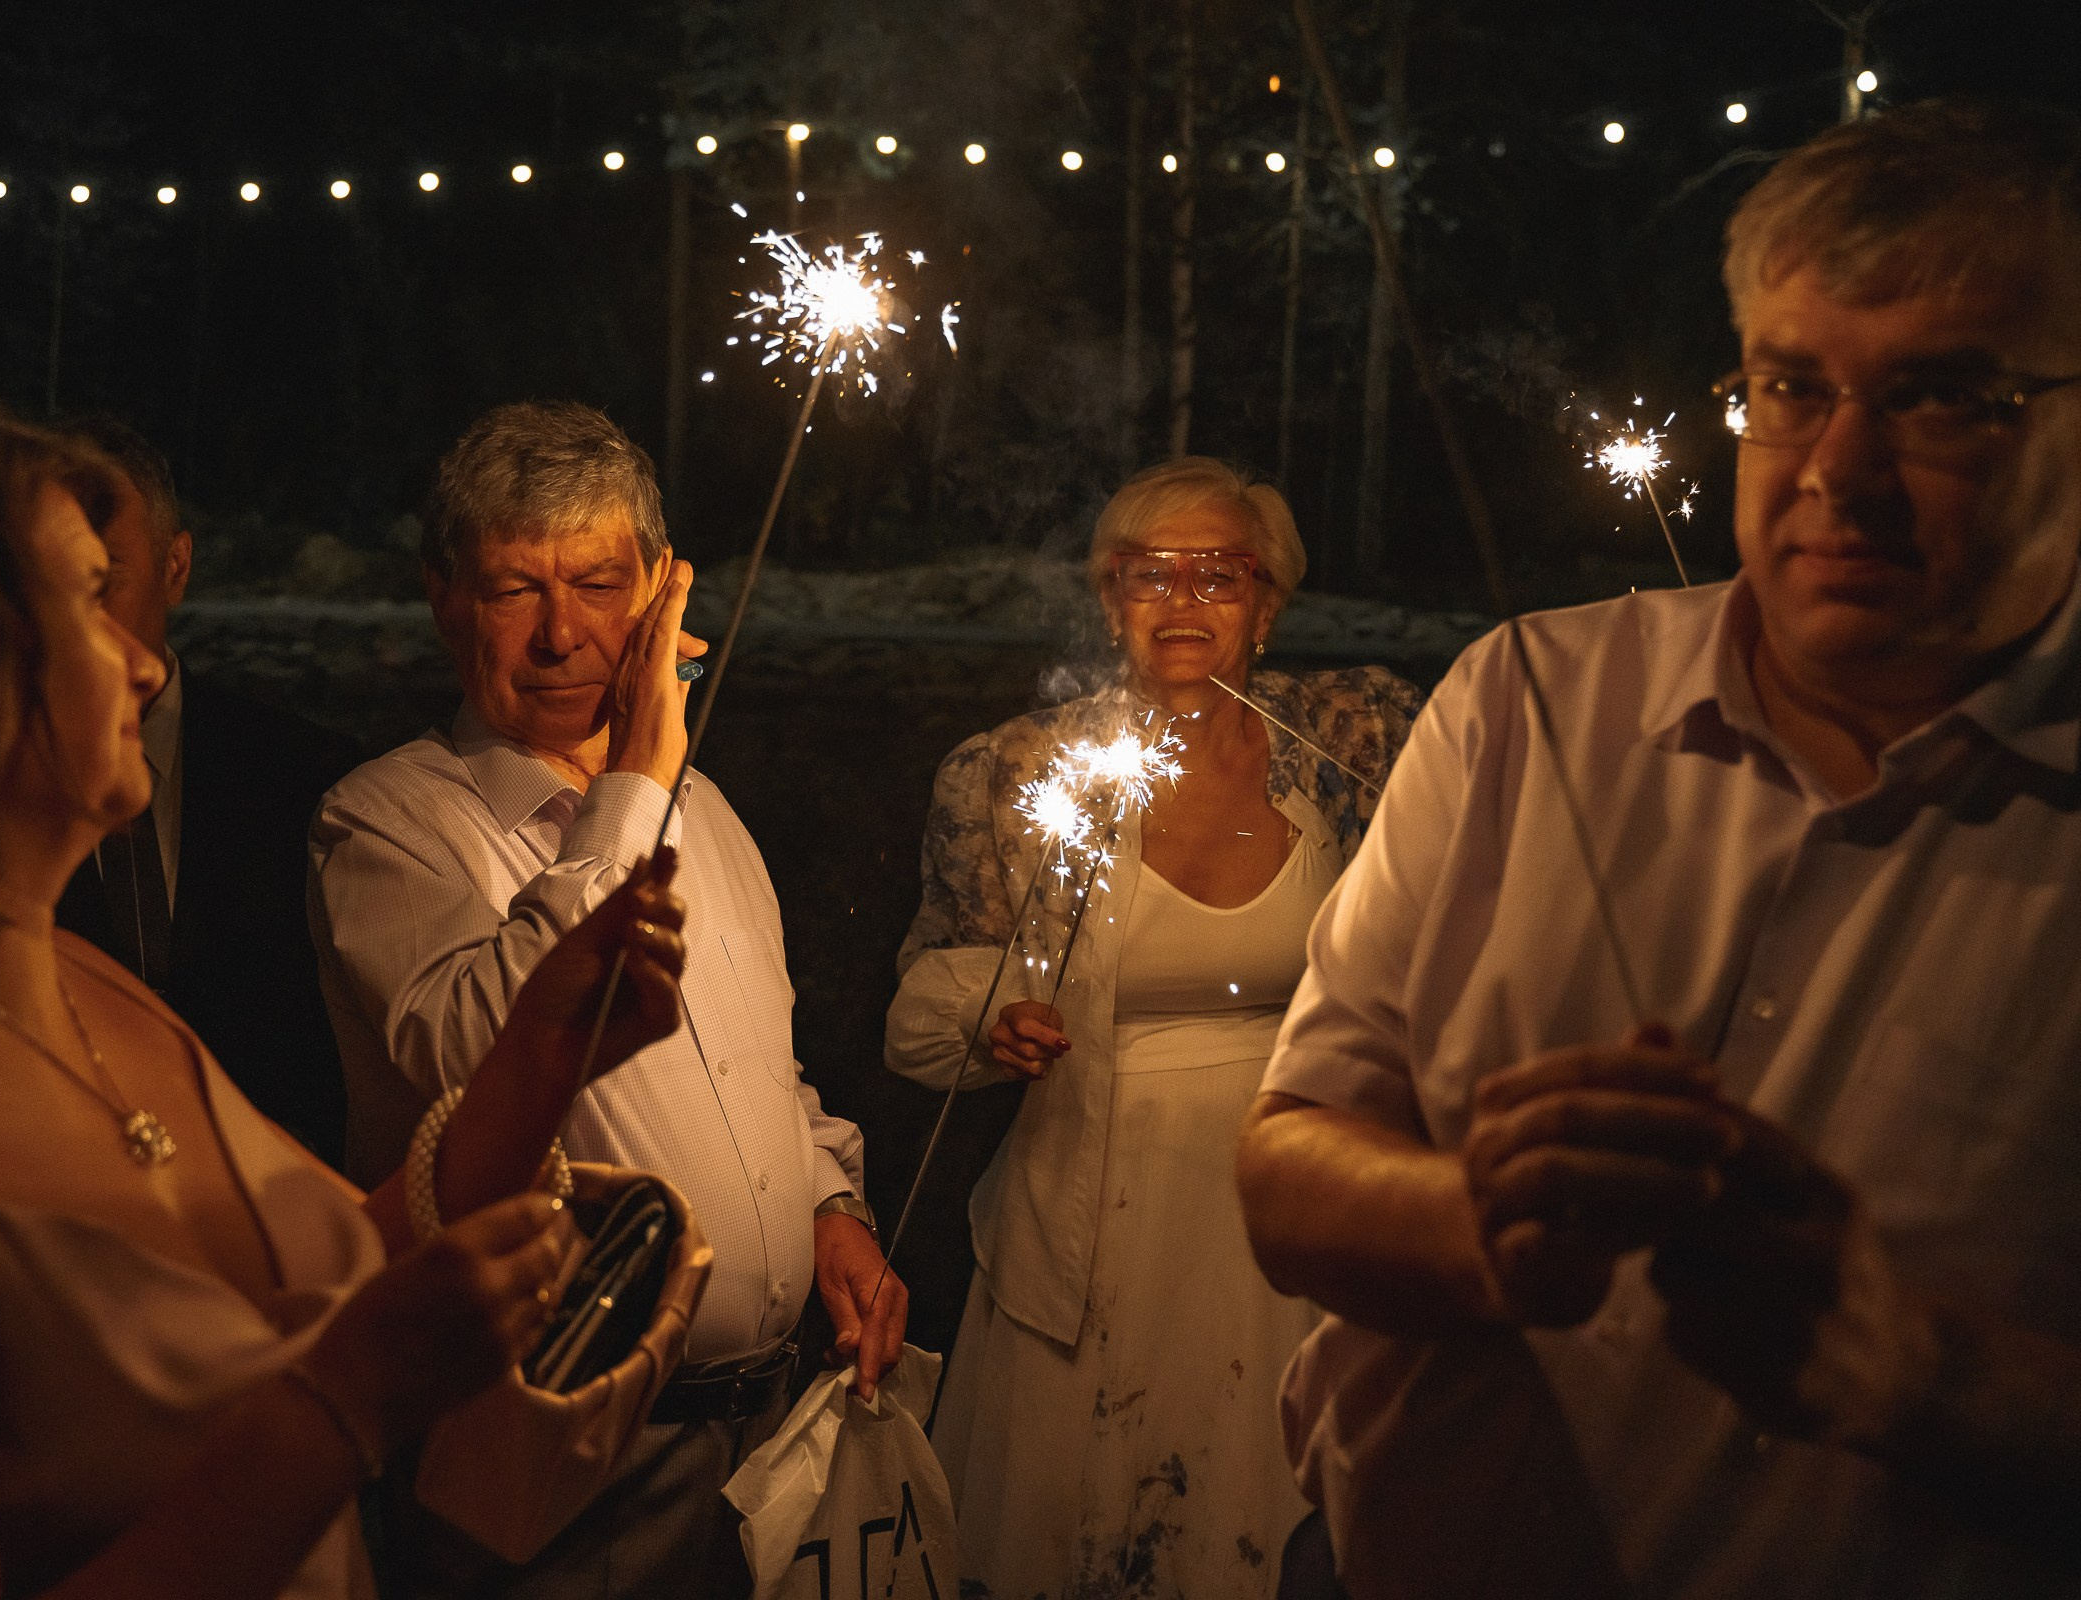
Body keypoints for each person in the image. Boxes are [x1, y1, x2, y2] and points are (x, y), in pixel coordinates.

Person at [1236, 100, 2081, 1598]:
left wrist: (1915, 1368)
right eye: (1789, 386)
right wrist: (1472, 1221)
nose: (1841, 468)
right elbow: (1287, 1167)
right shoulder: (1529, 700)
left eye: (1942, 400)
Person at [0, 375, 692, 1599]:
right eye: (85, 600)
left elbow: (330, 1273)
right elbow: (334, 1365)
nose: (148, 668)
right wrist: (348, 1407)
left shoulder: (88, 981)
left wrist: (540, 1051)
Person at [309, 400, 906, 1598]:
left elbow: (759, 1069)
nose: (561, 633)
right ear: (442, 598)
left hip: (773, 1425)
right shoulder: (385, 821)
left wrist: (830, 1202)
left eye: (594, 581)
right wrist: (628, 781)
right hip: (566, 1450)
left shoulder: (709, 811)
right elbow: (478, 1060)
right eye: (512, 590)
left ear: (658, 593)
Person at [886, 457, 1421, 1598]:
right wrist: (994, 1024)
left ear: (1268, 603)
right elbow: (923, 1005)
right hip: (1091, 1209)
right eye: (1148, 575)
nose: (1182, 603)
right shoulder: (1021, 772)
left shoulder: (1350, 750)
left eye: (1218, 575)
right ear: (1107, 598)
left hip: (1285, 1208)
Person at [52, 416, 362, 1168]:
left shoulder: (308, 778)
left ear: (175, 567)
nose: (81, 626)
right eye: (53, 589)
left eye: (105, 578)